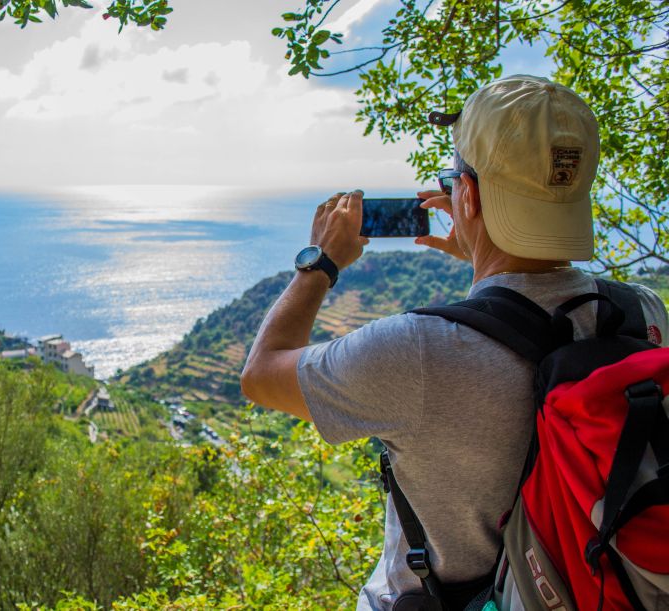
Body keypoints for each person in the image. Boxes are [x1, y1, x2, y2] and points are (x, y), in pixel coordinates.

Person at [239, 74, 669, 610]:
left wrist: (320, 263)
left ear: (466, 195)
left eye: (455, 177)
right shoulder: (640, 312)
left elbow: (260, 374)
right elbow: (539, 312)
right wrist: (490, 259)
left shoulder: (417, 350)